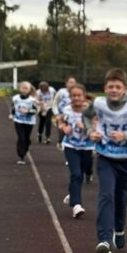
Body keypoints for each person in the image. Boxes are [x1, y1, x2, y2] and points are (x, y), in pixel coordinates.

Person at [87, 67, 127, 253]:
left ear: (124, 89)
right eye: (110, 87)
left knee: (121, 197)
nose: (114, 90)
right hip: (105, 156)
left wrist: (126, 135)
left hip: (125, 159)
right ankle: (104, 240)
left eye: (117, 87)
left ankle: (119, 228)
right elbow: (86, 116)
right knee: (106, 195)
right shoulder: (98, 104)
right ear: (105, 88)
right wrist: (91, 131)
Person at [57, 83, 95, 219]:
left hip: (87, 146)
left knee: (81, 174)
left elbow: (98, 125)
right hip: (71, 146)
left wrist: (86, 127)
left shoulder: (91, 110)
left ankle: (73, 194)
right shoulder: (67, 109)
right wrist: (63, 127)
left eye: (79, 95)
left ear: (84, 96)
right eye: (73, 95)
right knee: (76, 174)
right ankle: (77, 205)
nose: (76, 98)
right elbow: (60, 120)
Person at [10, 81, 38, 164]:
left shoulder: (32, 100)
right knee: (21, 138)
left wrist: (27, 111)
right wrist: (12, 114)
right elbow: (14, 107)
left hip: (29, 122)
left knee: (26, 139)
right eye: (23, 88)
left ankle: (27, 144)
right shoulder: (15, 98)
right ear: (20, 89)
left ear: (29, 90)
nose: (24, 90)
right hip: (18, 121)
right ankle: (21, 156)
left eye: (26, 89)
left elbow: (35, 110)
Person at [54, 76, 77, 148]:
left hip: (72, 116)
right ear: (66, 83)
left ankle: (69, 147)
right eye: (70, 82)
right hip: (61, 116)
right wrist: (56, 114)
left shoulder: (77, 92)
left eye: (74, 82)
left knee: (71, 133)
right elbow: (55, 103)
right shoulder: (61, 92)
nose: (72, 84)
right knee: (62, 131)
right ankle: (60, 142)